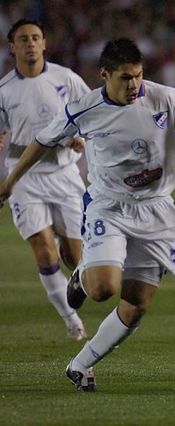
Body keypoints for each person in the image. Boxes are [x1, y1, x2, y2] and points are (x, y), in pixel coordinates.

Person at [0, 38, 175, 392]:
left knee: (136, 305)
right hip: (109, 205)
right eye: (124, 78)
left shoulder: (165, 98)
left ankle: (81, 364)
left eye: (137, 76)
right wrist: (11, 180)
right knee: (104, 288)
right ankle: (85, 274)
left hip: (157, 211)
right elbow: (42, 142)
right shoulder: (84, 109)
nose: (133, 85)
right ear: (105, 75)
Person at [0, 19, 90, 341]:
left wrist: (79, 137)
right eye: (23, 39)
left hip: (64, 174)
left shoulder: (66, 79)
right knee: (42, 246)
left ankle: (74, 272)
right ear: (12, 47)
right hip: (24, 176)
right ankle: (71, 320)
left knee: (76, 257)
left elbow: (90, 114)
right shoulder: (4, 90)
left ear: (44, 43)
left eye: (35, 38)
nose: (30, 44)